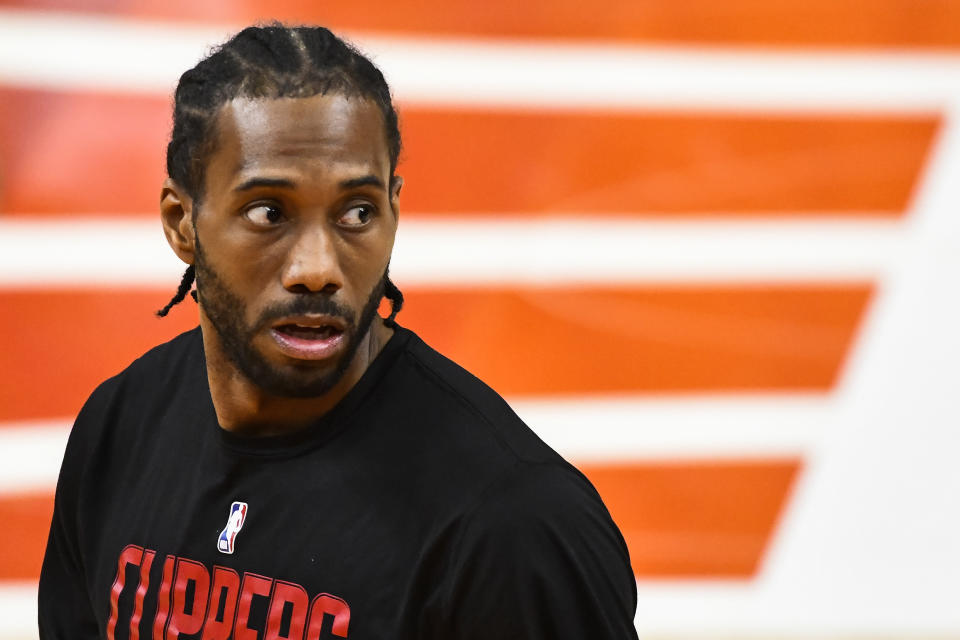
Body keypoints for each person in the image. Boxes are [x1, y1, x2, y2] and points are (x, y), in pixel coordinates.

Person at [38, 24, 639, 639]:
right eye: (268, 212)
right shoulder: (118, 432)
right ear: (181, 223)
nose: (318, 270)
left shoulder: (513, 527)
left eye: (357, 213)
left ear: (394, 212)